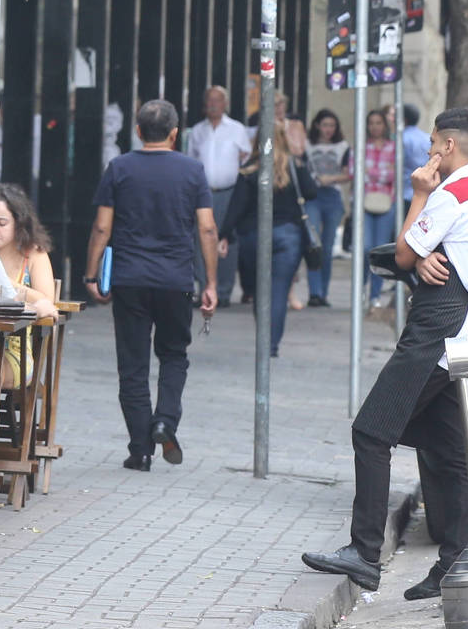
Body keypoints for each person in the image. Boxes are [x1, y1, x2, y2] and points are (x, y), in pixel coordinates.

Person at [303, 107, 468, 600]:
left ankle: (364, 553)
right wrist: (427, 255)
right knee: (450, 449)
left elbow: (402, 255)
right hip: (461, 326)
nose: (429, 151)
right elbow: (427, 257)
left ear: (449, 147)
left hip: (436, 327)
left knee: (371, 432)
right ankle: (455, 560)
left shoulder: (450, 192)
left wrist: (418, 195)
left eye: (434, 143)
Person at [83, 99, 219, 471]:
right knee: (174, 355)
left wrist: (92, 274)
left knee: (133, 365)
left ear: (138, 131)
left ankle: (140, 450)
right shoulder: (193, 171)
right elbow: (206, 228)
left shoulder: (119, 168)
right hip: (176, 280)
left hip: (129, 280)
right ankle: (165, 421)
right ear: (176, 134)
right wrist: (210, 282)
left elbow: (101, 227)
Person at [219, 135, 310, 355]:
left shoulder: (250, 170)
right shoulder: (293, 167)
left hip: (254, 235)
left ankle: (264, 341)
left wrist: (224, 234)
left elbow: (236, 205)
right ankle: (271, 346)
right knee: (278, 292)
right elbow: (312, 191)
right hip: (288, 235)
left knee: (260, 291)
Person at [185, 87, 252, 305]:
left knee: (227, 240)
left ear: (225, 104)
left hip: (229, 193)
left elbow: (247, 157)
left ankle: (223, 291)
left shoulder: (236, 129)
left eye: (218, 101)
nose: (213, 105)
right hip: (203, 193)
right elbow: (191, 159)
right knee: (201, 239)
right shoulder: (197, 131)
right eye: (210, 100)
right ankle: (205, 287)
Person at [0, 184, 58, 310]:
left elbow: (47, 301)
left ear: (19, 223)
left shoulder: (34, 254)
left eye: (2, 223)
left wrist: (5, 283)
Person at [301, 111, 351, 308]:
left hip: (332, 196)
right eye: (325, 125)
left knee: (328, 247)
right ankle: (314, 292)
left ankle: (323, 292)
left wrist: (329, 179)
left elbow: (348, 174)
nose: (328, 129)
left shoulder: (343, 147)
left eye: (332, 125)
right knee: (314, 243)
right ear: (317, 126)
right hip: (312, 197)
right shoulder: (306, 145)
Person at [359, 108, 399, 309]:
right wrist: (381, 174)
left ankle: (374, 295)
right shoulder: (360, 146)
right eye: (371, 123)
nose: (375, 127)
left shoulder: (393, 148)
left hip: (386, 203)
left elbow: (394, 175)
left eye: (378, 123)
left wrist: (371, 173)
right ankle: (360, 290)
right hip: (363, 203)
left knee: (378, 250)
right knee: (364, 248)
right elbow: (355, 172)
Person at [400, 103, 432, 206]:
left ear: (403, 119)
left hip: (404, 193)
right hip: (423, 192)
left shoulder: (402, 138)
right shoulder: (427, 138)